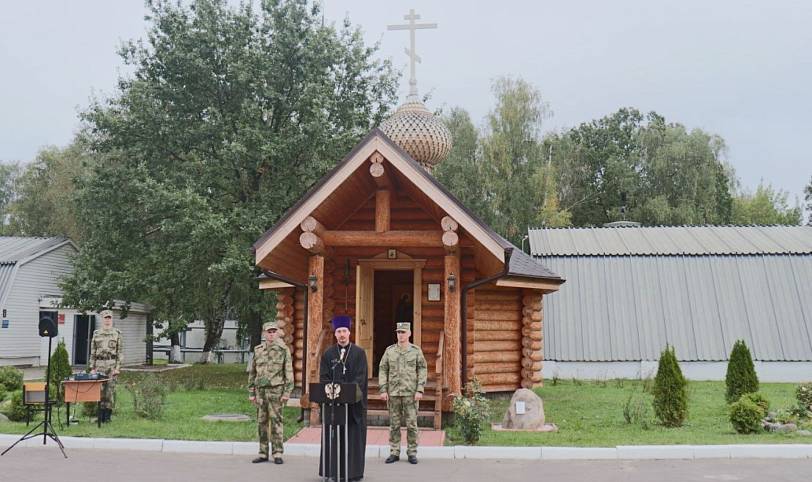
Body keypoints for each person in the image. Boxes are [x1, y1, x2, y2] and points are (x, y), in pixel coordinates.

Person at [319, 315, 368, 482]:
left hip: (353, 406)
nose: (341, 335)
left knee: (353, 438)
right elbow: (324, 378)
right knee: (334, 437)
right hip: (334, 406)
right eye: (339, 331)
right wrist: (334, 393)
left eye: (344, 331)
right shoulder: (328, 354)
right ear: (335, 333)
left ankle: (354, 473)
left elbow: (360, 379)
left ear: (349, 332)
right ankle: (333, 472)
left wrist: (347, 392)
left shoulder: (359, 353)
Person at [378, 322, 427, 465]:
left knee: (412, 424)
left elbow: (422, 370)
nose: (401, 335)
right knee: (394, 425)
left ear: (409, 334)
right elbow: (383, 369)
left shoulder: (416, 351)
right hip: (393, 393)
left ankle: (412, 452)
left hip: (410, 394)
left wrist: (419, 389)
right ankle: (394, 452)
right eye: (399, 332)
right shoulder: (390, 351)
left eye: (403, 332)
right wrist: (383, 389)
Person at [248, 321, 293, 464]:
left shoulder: (283, 349)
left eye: (274, 331)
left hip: (276, 392)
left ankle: (277, 453)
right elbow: (252, 372)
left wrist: (287, 392)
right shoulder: (258, 350)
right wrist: (251, 392)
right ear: (264, 333)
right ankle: (263, 453)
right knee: (261, 422)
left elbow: (289, 372)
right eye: (269, 332)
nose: (271, 334)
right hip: (261, 392)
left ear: (277, 333)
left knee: (276, 422)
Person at [89, 309, 122, 423]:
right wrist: (92, 368)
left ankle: (107, 417)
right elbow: (93, 352)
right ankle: (100, 416)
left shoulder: (117, 334)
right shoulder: (96, 334)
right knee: (99, 391)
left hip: (111, 365)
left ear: (112, 319)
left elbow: (120, 353)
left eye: (109, 318)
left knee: (110, 391)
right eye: (105, 318)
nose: (107, 320)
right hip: (99, 365)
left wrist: (117, 368)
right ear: (102, 319)